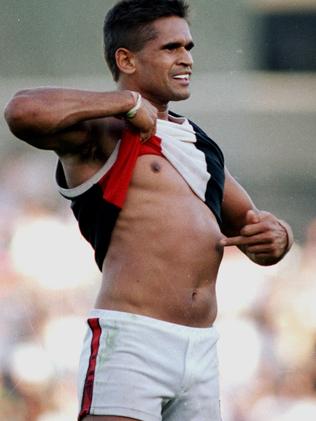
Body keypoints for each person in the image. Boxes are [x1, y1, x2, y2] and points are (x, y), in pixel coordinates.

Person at [4, 1, 294, 420]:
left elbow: (257, 227)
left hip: (202, 346)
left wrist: (278, 235)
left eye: (188, 47)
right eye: (171, 48)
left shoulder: (197, 142)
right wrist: (124, 104)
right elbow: (22, 110)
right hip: (132, 339)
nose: (186, 59)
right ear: (126, 59)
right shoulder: (104, 132)